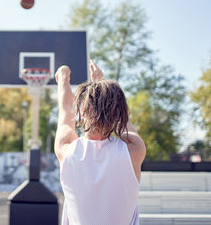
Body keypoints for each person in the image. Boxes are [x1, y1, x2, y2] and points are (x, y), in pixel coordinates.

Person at [54, 61, 146, 225]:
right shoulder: (134, 151)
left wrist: (63, 78)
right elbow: (126, 123)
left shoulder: (67, 149)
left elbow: (66, 112)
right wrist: (100, 81)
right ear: (117, 114)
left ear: (82, 111)